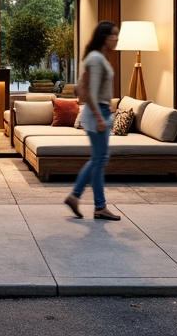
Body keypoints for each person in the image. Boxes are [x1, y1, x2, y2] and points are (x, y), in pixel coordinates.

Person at [64, 21, 121, 221]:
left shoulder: (98, 57)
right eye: (114, 34)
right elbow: (93, 93)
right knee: (99, 160)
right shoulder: (96, 58)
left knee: (99, 160)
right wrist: (99, 117)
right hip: (98, 113)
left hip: (102, 111)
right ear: (104, 36)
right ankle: (86, 200)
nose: (117, 38)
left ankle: (93, 204)